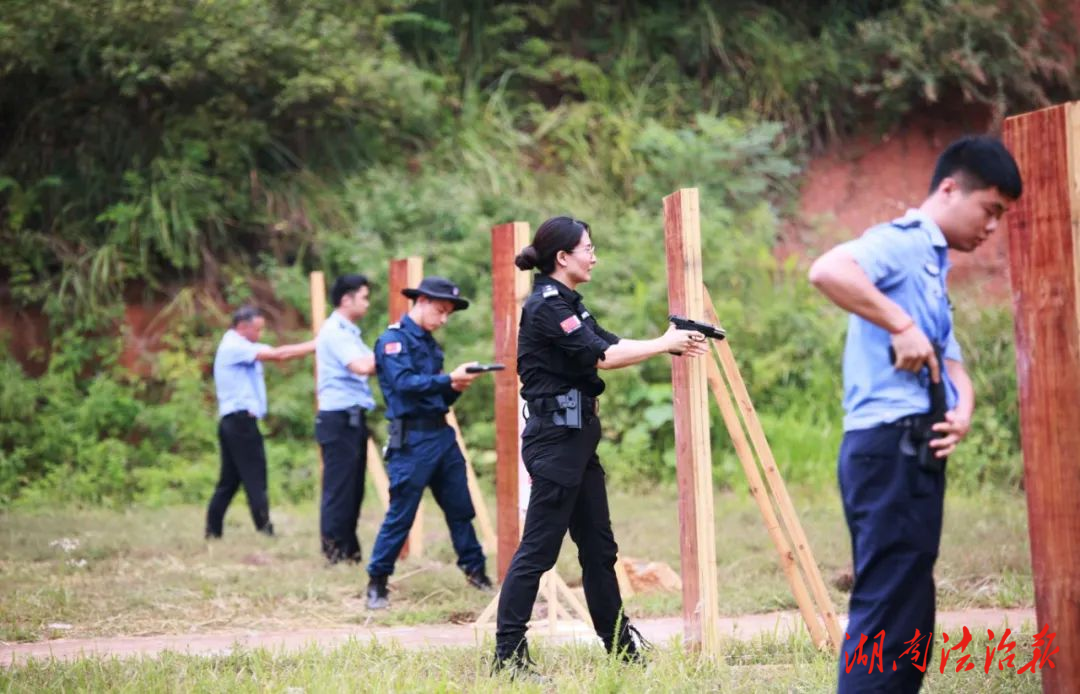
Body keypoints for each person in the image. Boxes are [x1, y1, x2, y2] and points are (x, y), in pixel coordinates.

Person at [808, 135, 1022, 693]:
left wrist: (964, 409)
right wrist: (899, 325)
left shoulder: (931, 264)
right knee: (888, 605)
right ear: (950, 188)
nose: (993, 227)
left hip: (914, 446)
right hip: (888, 446)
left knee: (909, 609)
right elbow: (828, 269)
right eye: (990, 210)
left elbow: (950, 361)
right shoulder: (903, 244)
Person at [492, 216, 709, 678]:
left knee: (598, 550)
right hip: (556, 442)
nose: (594, 256)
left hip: (576, 440)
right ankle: (507, 657)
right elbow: (604, 358)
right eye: (587, 248)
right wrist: (662, 343)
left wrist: (670, 342)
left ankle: (620, 649)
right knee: (537, 553)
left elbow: (608, 342)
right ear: (562, 257)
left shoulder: (569, 303)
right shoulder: (548, 306)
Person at [364, 276, 494, 609]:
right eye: (440, 311)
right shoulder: (393, 342)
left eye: (449, 313)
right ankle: (377, 582)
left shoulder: (431, 345)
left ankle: (477, 573)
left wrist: (455, 387)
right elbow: (404, 384)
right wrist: (447, 378)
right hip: (411, 440)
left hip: (441, 434)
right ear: (420, 302)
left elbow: (437, 396)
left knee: (460, 508)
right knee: (402, 514)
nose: (444, 319)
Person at [206, 305, 315, 539]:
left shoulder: (241, 346)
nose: (260, 334)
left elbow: (275, 352)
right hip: (240, 422)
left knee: (230, 480)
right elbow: (278, 355)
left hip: (233, 422)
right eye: (257, 329)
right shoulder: (234, 346)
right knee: (255, 475)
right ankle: (265, 530)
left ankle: (212, 531)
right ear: (242, 327)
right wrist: (317, 345)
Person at [315, 274, 377, 564]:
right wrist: (396, 354)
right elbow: (362, 365)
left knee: (353, 489)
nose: (367, 302)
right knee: (339, 488)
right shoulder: (335, 331)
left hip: (350, 418)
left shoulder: (349, 331)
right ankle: (335, 552)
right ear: (346, 299)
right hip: (338, 419)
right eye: (363, 297)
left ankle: (348, 551)